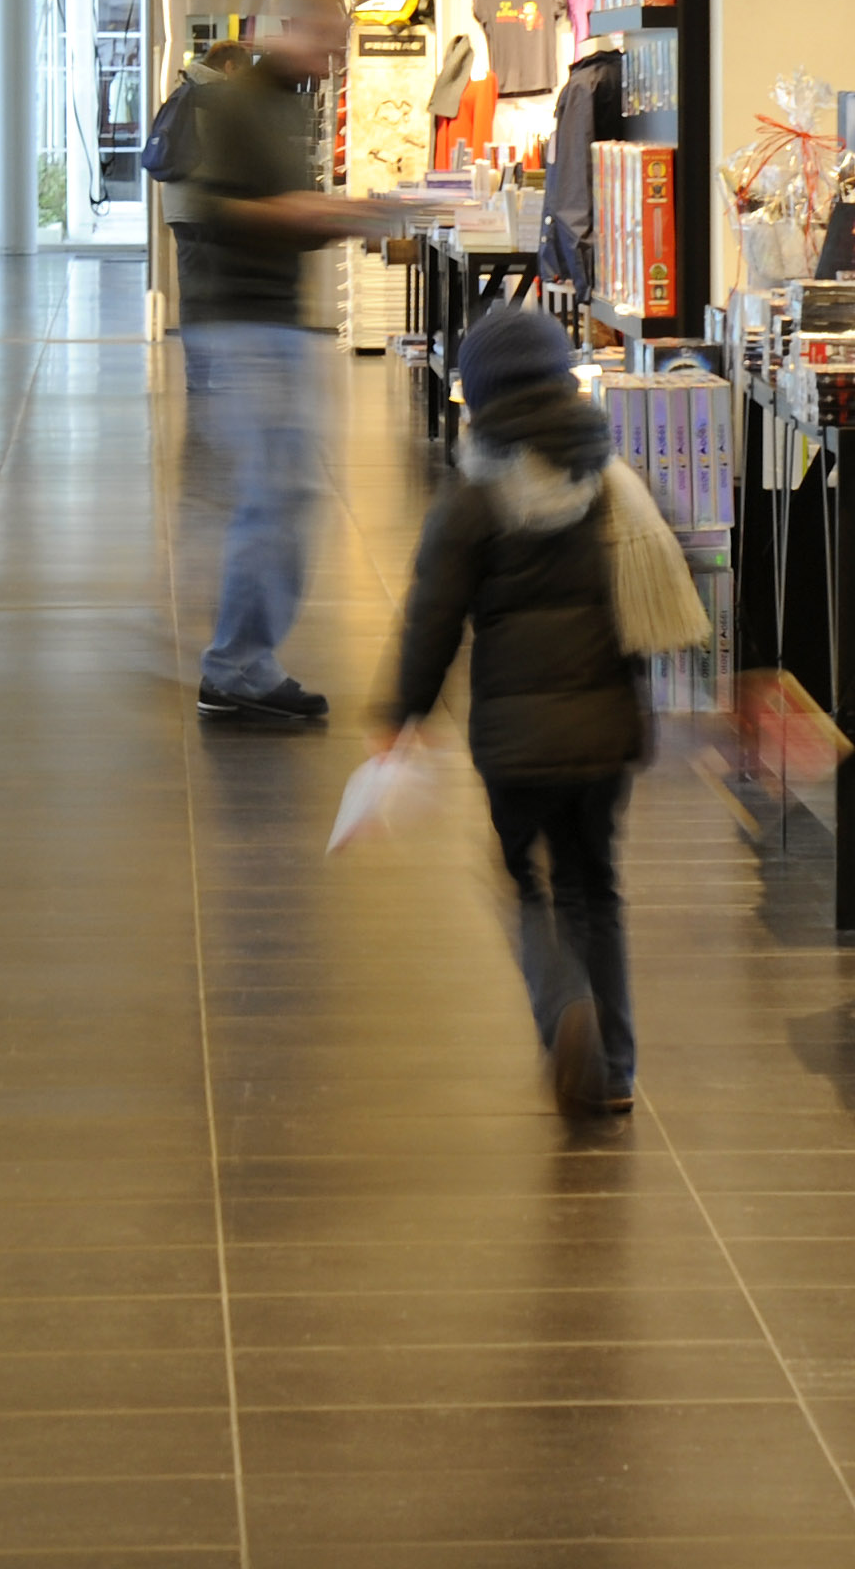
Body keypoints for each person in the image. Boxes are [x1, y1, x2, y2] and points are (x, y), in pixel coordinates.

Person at [376, 305, 647, 1117]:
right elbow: (660, 586)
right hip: (606, 733)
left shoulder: (472, 497)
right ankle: (616, 1070)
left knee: (526, 882)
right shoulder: (613, 481)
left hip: (515, 742)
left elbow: (432, 618)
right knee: (594, 886)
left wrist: (403, 713)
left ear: (480, 397)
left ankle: (565, 1008)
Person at [172, 18, 394, 727]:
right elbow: (214, 209)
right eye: (328, 39)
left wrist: (333, 218)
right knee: (275, 496)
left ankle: (242, 662)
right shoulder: (240, 101)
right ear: (296, 30)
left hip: (271, 325)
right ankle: (235, 668)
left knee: (282, 496)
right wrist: (311, 212)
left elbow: (281, 219)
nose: (334, 56)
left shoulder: (283, 105)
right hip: (245, 326)